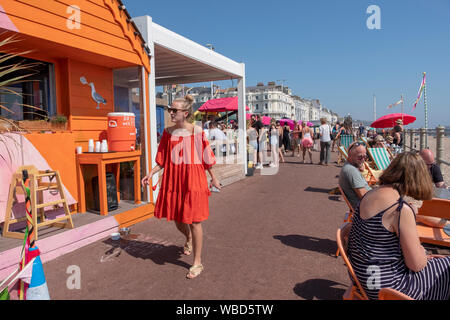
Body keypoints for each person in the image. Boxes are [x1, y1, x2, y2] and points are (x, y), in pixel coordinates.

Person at [347, 152, 450, 300]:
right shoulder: (399, 208)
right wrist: (423, 252)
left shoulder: (370, 194)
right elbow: (416, 265)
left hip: (362, 278)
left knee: (439, 261)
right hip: (389, 290)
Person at [141, 95, 221, 279]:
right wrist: (151, 172)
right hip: (174, 180)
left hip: (194, 179)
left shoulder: (197, 131)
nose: (170, 112)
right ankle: (188, 238)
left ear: (185, 113)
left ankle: (197, 262)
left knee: (195, 221)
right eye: (170, 109)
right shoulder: (168, 133)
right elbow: (162, 159)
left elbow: (206, 157)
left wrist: (214, 178)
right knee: (178, 219)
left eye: (174, 110)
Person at [339, 142, 372, 209]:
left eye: (365, 156)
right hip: (366, 210)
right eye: (360, 157)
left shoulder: (349, 167)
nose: (363, 160)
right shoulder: (351, 171)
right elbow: (364, 196)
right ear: (350, 155)